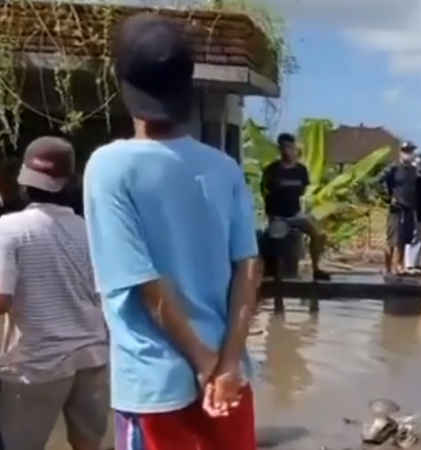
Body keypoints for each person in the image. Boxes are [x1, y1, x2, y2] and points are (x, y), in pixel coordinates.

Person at [83, 14, 261, 449]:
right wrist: (227, 363)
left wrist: (202, 364)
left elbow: (145, 281)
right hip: (230, 383)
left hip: (155, 384)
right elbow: (249, 268)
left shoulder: (109, 167)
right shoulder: (224, 168)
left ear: (122, 83)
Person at [0, 137, 109, 450]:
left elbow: (2, 300)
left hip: (37, 365)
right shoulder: (91, 231)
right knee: (87, 444)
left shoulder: (9, 229)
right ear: (69, 183)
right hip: (92, 357)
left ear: (23, 180)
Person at [261, 132, 330, 281]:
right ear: (279, 149)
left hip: (296, 214)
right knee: (278, 246)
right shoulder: (271, 170)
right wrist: (271, 216)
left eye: (290, 147)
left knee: (318, 234)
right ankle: (278, 280)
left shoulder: (301, 170)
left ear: (294, 148)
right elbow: (264, 192)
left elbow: (303, 190)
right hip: (278, 216)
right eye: (284, 147)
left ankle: (316, 268)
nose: (287, 151)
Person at [380, 142, 418, 275]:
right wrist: (388, 199)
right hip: (396, 209)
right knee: (392, 239)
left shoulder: (414, 170)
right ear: (400, 152)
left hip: (409, 208)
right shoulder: (393, 168)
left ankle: (399, 265)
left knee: (403, 239)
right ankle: (387, 266)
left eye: (410, 151)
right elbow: (378, 182)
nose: (408, 153)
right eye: (405, 151)